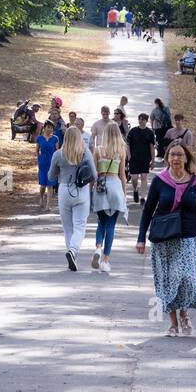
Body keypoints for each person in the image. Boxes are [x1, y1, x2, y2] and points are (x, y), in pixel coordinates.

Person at [136, 141, 196, 336]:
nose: (176, 158)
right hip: (164, 238)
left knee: (184, 276)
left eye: (180, 155)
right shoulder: (160, 181)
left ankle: (184, 313)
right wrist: (141, 238)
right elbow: (148, 210)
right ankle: (173, 323)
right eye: (172, 155)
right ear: (167, 158)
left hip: (189, 237)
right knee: (167, 280)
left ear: (186, 158)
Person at [48, 124, 96, 271]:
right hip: (81, 190)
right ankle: (73, 251)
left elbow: (51, 176)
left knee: (67, 227)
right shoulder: (85, 152)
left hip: (64, 188)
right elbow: (94, 174)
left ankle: (71, 253)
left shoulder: (58, 154)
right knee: (80, 225)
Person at [91, 121, 128, 274]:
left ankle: (98, 247)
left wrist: (90, 191)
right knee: (111, 225)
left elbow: (93, 174)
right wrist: (124, 195)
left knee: (101, 222)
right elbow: (123, 176)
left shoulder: (98, 150)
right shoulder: (121, 151)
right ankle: (105, 260)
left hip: (100, 186)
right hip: (115, 186)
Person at [127, 113, 156, 205]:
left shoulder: (150, 133)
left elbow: (152, 147)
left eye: (143, 119)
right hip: (134, 158)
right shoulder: (133, 131)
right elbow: (127, 144)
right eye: (139, 119)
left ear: (146, 121)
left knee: (144, 177)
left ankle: (143, 197)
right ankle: (135, 190)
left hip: (145, 158)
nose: (141, 121)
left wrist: (153, 160)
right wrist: (129, 155)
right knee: (134, 178)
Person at [35, 119, 60, 211]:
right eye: (48, 127)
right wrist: (39, 159)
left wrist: (57, 162)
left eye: (51, 128)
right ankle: (41, 197)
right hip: (42, 163)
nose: (49, 129)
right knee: (43, 185)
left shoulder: (55, 138)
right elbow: (37, 150)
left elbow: (57, 151)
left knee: (50, 185)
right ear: (44, 128)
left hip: (52, 163)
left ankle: (48, 205)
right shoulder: (39, 138)